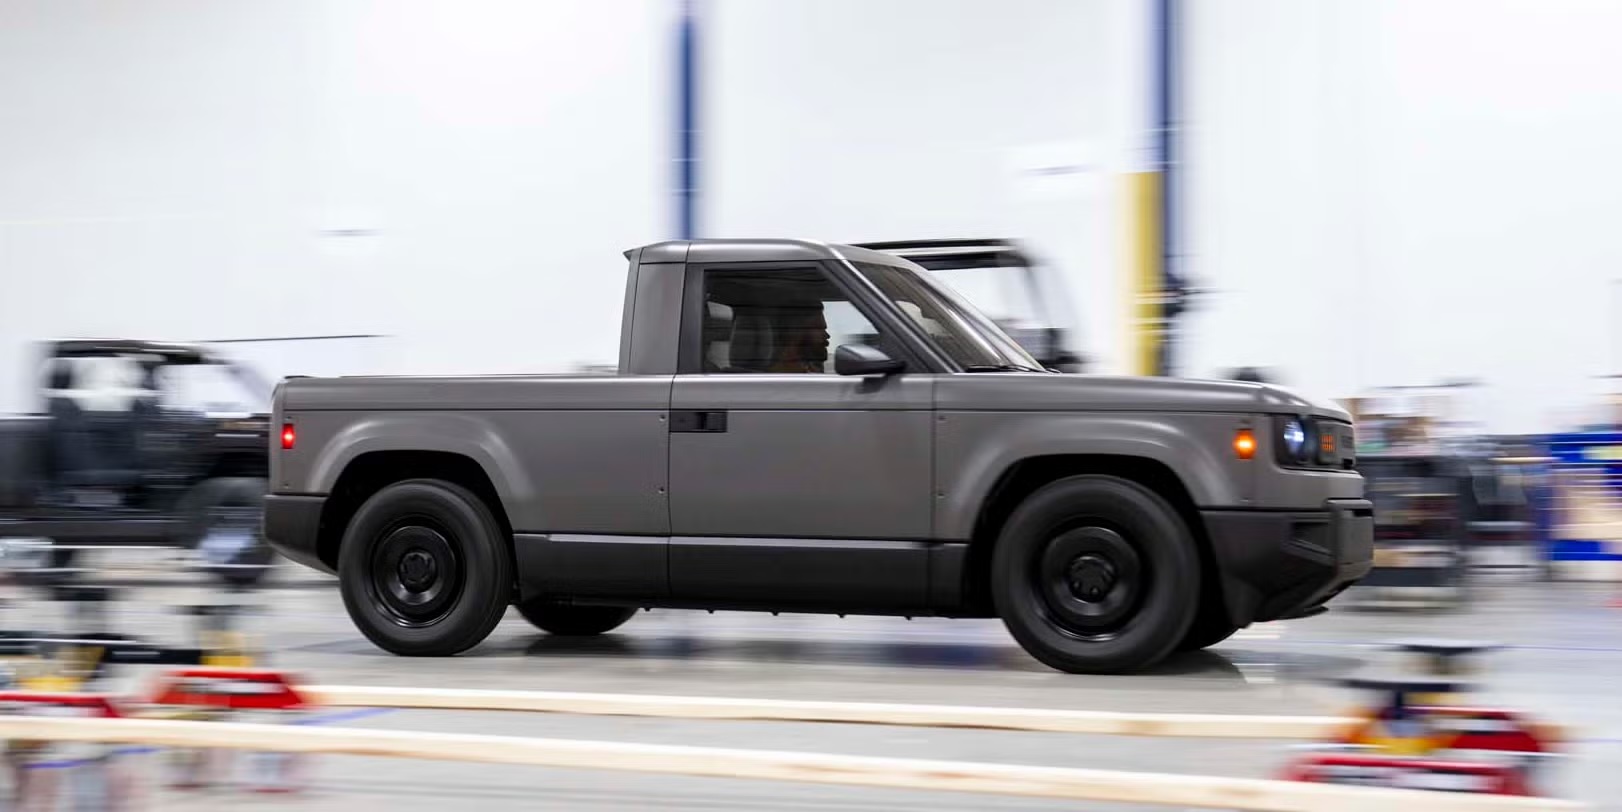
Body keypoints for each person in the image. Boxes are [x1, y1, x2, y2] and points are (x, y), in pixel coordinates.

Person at [766, 302, 830, 373]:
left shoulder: (809, 367)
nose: (827, 335)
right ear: (798, 331)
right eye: (819, 328)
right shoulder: (783, 375)